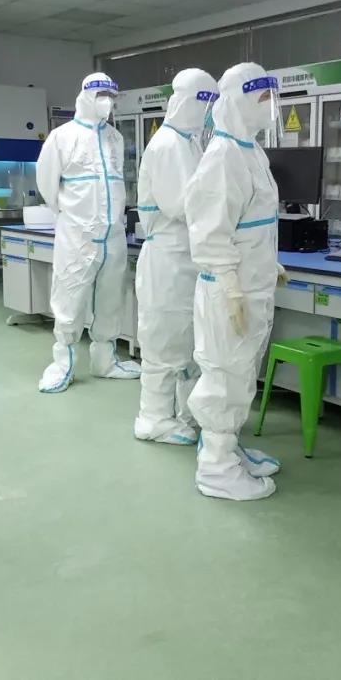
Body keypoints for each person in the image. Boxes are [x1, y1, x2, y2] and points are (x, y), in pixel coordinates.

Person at [184, 62, 287, 501]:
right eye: (261, 98)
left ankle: (228, 448)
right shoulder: (223, 156)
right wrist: (229, 285)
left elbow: (250, 223)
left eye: (271, 99)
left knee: (242, 373)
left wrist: (269, 263)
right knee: (224, 374)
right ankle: (216, 468)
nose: (269, 107)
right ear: (238, 102)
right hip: (231, 289)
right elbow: (211, 232)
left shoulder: (251, 152)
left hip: (252, 284)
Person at [36, 73, 141, 393]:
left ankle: (104, 361)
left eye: (111, 95)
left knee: (111, 300)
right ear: (85, 97)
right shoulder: (62, 137)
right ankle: (63, 364)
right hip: (78, 235)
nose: (107, 101)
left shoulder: (115, 138)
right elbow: (46, 184)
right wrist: (72, 217)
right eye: (101, 95)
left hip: (113, 235)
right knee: (69, 299)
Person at [134, 68, 218, 445]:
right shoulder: (168, 144)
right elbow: (180, 205)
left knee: (186, 343)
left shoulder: (190, 142)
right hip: (168, 259)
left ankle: (185, 413)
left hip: (187, 259)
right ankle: (153, 419)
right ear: (187, 101)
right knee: (164, 343)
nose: (210, 112)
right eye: (206, 103)